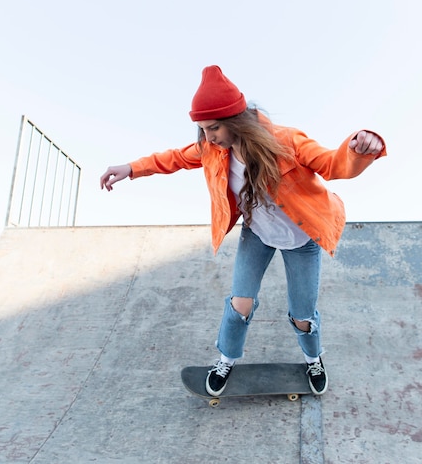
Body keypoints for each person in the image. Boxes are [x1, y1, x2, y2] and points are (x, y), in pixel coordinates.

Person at [100, 65, 386, 397]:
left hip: (302, 239)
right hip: (257, 235)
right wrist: (131, 169)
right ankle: (225, 360)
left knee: (302, 314)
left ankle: (313, 359)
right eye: (203, 129)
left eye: (215, 128)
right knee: (240, 303)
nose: (209, 137)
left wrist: (358, 148)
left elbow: (330, 163)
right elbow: (174, 158)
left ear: (235, 120)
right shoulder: (211, 150)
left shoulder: (286, 141)